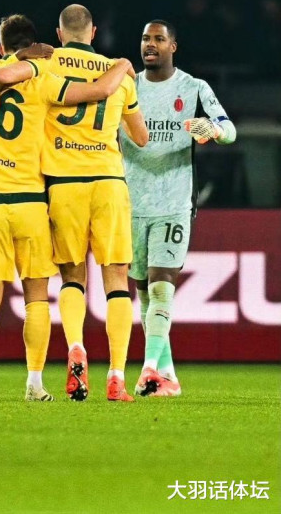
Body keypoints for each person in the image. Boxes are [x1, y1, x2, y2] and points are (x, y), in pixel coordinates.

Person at [0, 7, 148, 402]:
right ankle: (87, 377)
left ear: (58, 33)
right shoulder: (59, 75)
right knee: (97, 282)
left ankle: (26, 342)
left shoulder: (1, 73)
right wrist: (122, 65)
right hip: (68, 191)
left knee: (28, 286)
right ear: (93, 32)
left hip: (10, 197)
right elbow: (133, 129)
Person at [120, 20, 237, 397]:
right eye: (145, 38)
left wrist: (212, 130)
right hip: (131, 203)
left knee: (161, 286)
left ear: (173, 46)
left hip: (173, 202)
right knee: (143, 292)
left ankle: (149, 369)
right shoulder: (126, 87)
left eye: (158, 39)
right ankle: (167, 375)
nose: (150, 44)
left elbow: (230, 130)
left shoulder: (194, 88)